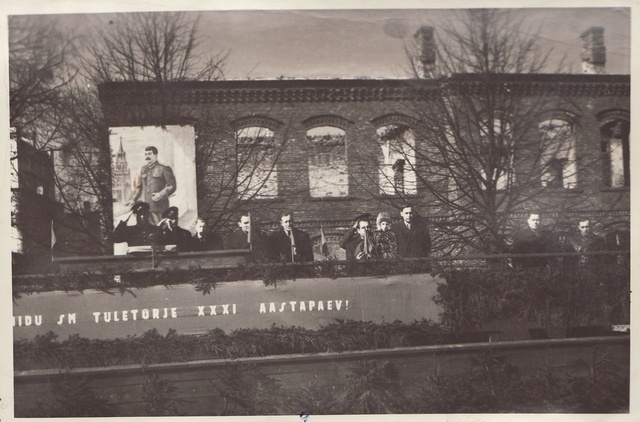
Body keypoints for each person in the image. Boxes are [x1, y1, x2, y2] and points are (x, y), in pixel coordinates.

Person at [126, 146, 176, 225]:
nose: (147, 156)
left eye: (149, 154)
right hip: (146, 208)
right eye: (145, 154)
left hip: (160, 207)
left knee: (160, 230)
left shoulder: (164, 168)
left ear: (155, 155)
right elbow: (139, 187)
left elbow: (171, 186)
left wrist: (160, 194)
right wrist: (133, 199)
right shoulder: (143, 169)